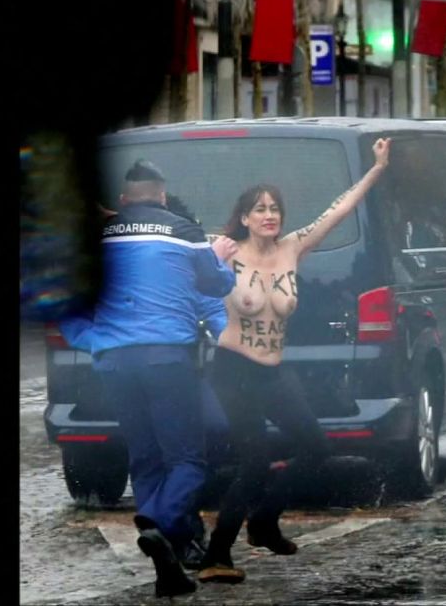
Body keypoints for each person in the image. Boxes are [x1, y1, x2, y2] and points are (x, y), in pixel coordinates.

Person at [197, 138, 392, 584]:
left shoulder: (292, 248)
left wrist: (377, 169)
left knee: (317, 447)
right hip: (232, 370)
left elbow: (338, 210)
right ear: (244, 217)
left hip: (273, 370)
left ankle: (264, 522)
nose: (269, 215)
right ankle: (216, 554)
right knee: (255, 461)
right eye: (260, 209)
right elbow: (165, 235)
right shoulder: (223, 249)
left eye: (275, 209)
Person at [60, 160, 238, 597]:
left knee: (145, 458)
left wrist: (94, 339)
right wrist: (222, 262)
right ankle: (158, 521)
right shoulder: (183, 231)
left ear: (124, 200)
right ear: (161, 195)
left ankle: (167, 554)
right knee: (187, 461)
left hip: (115, 365)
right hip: (166, 360)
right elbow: (215, 287)